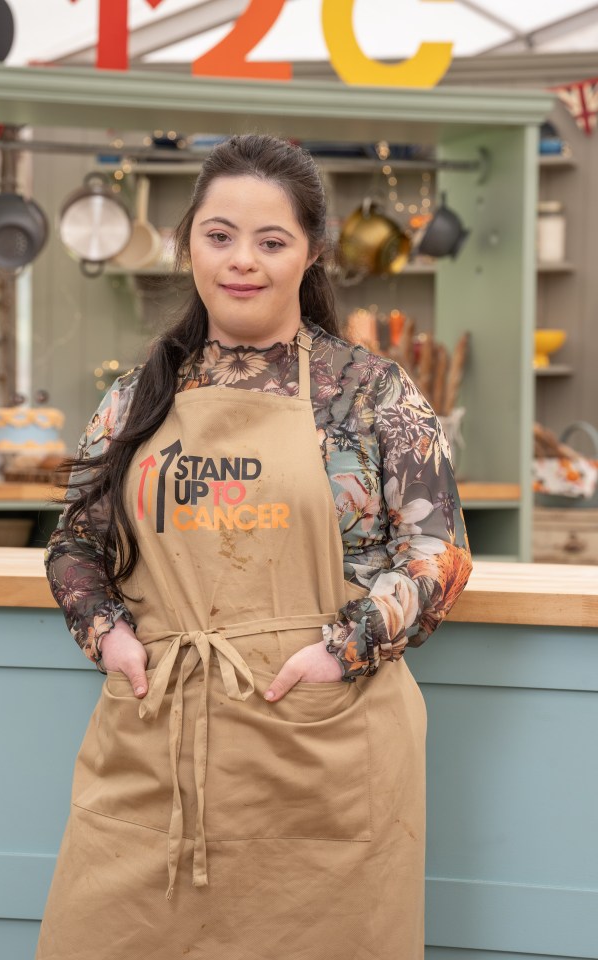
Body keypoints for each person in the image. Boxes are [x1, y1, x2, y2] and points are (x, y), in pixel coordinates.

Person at [36, 133, 472, 960]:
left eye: (272, 241)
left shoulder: (370, 392)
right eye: (219, 235)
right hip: (159, 738)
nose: (243, 261)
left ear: (310, 255)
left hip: (322, 746)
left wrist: (339, 652)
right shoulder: (139, 394)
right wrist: (109, 635)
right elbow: (74, 545)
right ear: (190, 242)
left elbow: (438, 557)